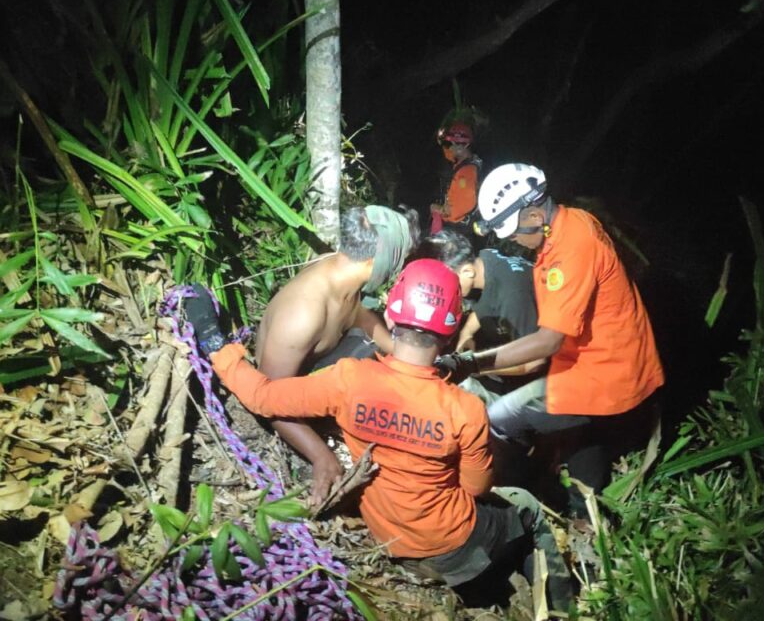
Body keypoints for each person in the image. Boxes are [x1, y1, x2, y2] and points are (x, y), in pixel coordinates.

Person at [184, 259, 575, 612]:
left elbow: (263, 397)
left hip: (392, 540)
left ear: (391, 314)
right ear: (452, 327)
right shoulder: (464, 409)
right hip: (454, 542)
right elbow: (476, 487)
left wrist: (214, 340)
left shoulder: (349, 380)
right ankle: (562, 609)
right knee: (527, 505)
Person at [443, 163, 664, 516]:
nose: (513, 239)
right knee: (581, 430)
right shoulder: (570, 222)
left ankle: (514, 499)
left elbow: (546, 343)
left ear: (533, 211)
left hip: (601, 370)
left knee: (500, 417)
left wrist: (471, 363)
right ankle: (587, 514)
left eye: (514, 231)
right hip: (604, 358)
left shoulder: (570, 250)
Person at [190, 204, 420, 507]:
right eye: (397, 261)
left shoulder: (345, 275)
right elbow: (268, 399)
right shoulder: (304, 315)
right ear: (376, 261)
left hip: (318, 365)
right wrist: (321, 456)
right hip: (284, 392)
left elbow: (361, 318)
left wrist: (408, 357)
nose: (398, 270)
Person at [421, 229, 546, 402]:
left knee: (495, 415)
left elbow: (535, 362)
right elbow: (487, 301)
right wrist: (467, 334)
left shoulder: (512, 296)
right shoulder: (487, 259)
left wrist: (474, 367)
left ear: (467, 272)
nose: (447, 290)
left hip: (563, 365)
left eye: (448, 282)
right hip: (527, 323)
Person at [429, 122, 481, 236]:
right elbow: (448, 153)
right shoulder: (463, 160)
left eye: (453, 144)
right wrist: (440, 140)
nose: (451, 148)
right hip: (456, 225)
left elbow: (460, 208)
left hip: (458, 229)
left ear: (464, 146)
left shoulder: (466, 174)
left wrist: (440, 210)